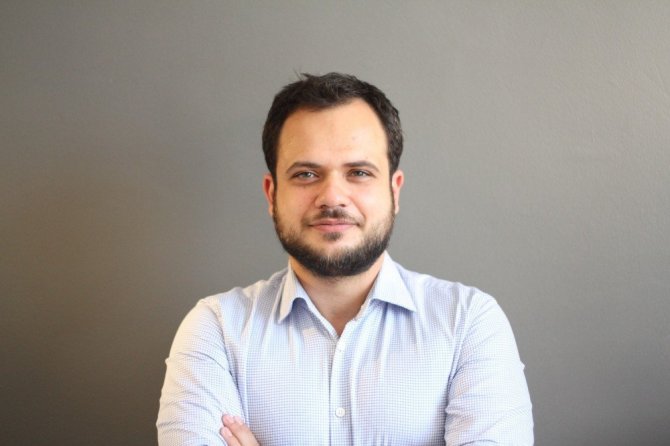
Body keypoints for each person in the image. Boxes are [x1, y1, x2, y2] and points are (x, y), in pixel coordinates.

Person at [156, 72, 533, 445]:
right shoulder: (216, 329)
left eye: (359, 172)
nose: (332, 197)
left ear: (394, 191)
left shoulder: (469, 324)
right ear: (272, 194)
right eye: (306, 174)